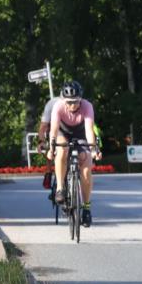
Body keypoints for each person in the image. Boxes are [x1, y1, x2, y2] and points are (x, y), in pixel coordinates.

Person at [45, 81, 99, 226]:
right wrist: (51, 149)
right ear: (63, 99)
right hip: (63, 133)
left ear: (80, 99)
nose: (73, 105)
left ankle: (86, 208)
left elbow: (89, 129)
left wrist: (93, 150)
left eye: (76, 101)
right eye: (69, 102)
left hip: (81, 134)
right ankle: (60, 188)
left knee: (87, 170)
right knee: (62, 150)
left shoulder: (87, 106)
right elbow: (54, 130)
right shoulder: (58, 106)